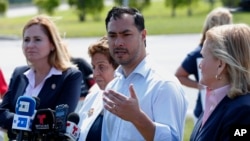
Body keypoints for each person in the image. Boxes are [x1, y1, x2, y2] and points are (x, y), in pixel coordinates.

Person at [101, 6, 188, 141]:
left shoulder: (164, 85)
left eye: (126, 34)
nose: (118, 43)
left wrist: (137, 118)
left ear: (143, 35)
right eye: (112, 36)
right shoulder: (112, 86)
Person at [0, 14, 82, 140]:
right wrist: (30, 121)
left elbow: (57, 122)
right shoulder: (19, 74)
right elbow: (1, 113)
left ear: (52, 44)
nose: (30, 45)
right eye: (26, 40)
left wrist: (16, 121)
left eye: (37, 39)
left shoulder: (70, 76)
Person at [190, 23, 250, 141]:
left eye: (204, 57)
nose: (200, 65)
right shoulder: (215, 101)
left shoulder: (243, 112)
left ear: (220, 65)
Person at [175, 7, 233, 122]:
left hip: (227, 107)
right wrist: (199, 85)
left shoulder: (234, 52)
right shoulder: (198, 53)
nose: (201, 65)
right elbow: (179, 75)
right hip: (204, 109)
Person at [77, 36, 119, 141]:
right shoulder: (91, 97)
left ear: (118, 68)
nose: (95, 74)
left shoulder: (128, 103)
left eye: (101, 67)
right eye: (93, 67)